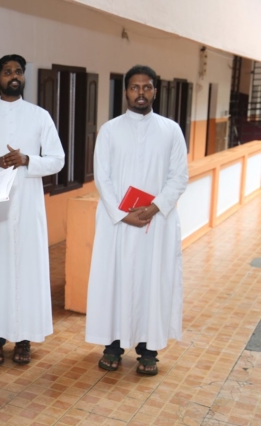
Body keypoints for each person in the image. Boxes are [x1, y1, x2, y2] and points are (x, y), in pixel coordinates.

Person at [0, 54, 65, 365]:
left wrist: (28, 160)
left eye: (18, 71)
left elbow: (58, 159)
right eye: (7, 72)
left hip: (28, 205)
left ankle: (23, 340)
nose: (13, 76)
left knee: (26, 271)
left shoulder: (41, 116)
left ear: (24, 77)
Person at [85, 65, 188, 376]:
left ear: (155, 90)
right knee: (115, 280)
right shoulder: (110, 130)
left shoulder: (171, 130)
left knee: (153, 281)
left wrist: (155, 207)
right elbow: (101, 176)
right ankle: (113, 346)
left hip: (157, 224)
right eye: (134, 87)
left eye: (146, 87)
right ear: (125, 91)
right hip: (117, 222)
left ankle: (148, 350)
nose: (140, 93)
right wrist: (122, 213)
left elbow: (179, 176)